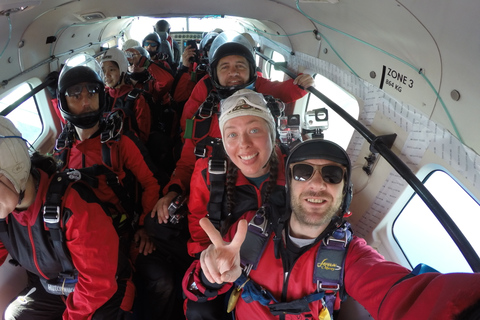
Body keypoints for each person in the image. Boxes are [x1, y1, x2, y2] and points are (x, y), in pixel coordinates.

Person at [183, 138, 480, 320]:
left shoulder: (351, 257)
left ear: (344, 194)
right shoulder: (249, 231)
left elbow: (408, 299)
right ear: (289, 187)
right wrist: (208, 275)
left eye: (332, 174)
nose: (317, 183)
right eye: (303, 172)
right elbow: (193, 292)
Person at [154, 31, 314, 225]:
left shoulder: (263, 100)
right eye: (225, 67)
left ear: (251, 72)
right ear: (214, 74)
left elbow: (280, 90)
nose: (234, 72)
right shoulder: (202, 116)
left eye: (240, 66)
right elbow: (188, 159)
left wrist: (301, 85)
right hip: (215, 190)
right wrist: (174, 190)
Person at [0, 116, 127, 319]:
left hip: (101, 291)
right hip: (54, 289)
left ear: (16, 170)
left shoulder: (72, 205)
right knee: (14, 315)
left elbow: (97, 282)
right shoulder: (5, 218)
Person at [183, 89, 287, 320]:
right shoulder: (207, 172)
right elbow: (198, 224)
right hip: (226, 261)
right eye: (232, 134)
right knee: (199, 310)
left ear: (273, 133)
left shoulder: (296, 170)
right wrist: (211, 260)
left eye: (254, 130)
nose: (244, 144)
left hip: (279, 263)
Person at [101, 47, 152, 143]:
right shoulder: (101, 96)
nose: (106, 75)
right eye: (103, 70)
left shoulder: (137, 100)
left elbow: (142, 138)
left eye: (111, 70)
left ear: (122, 70)